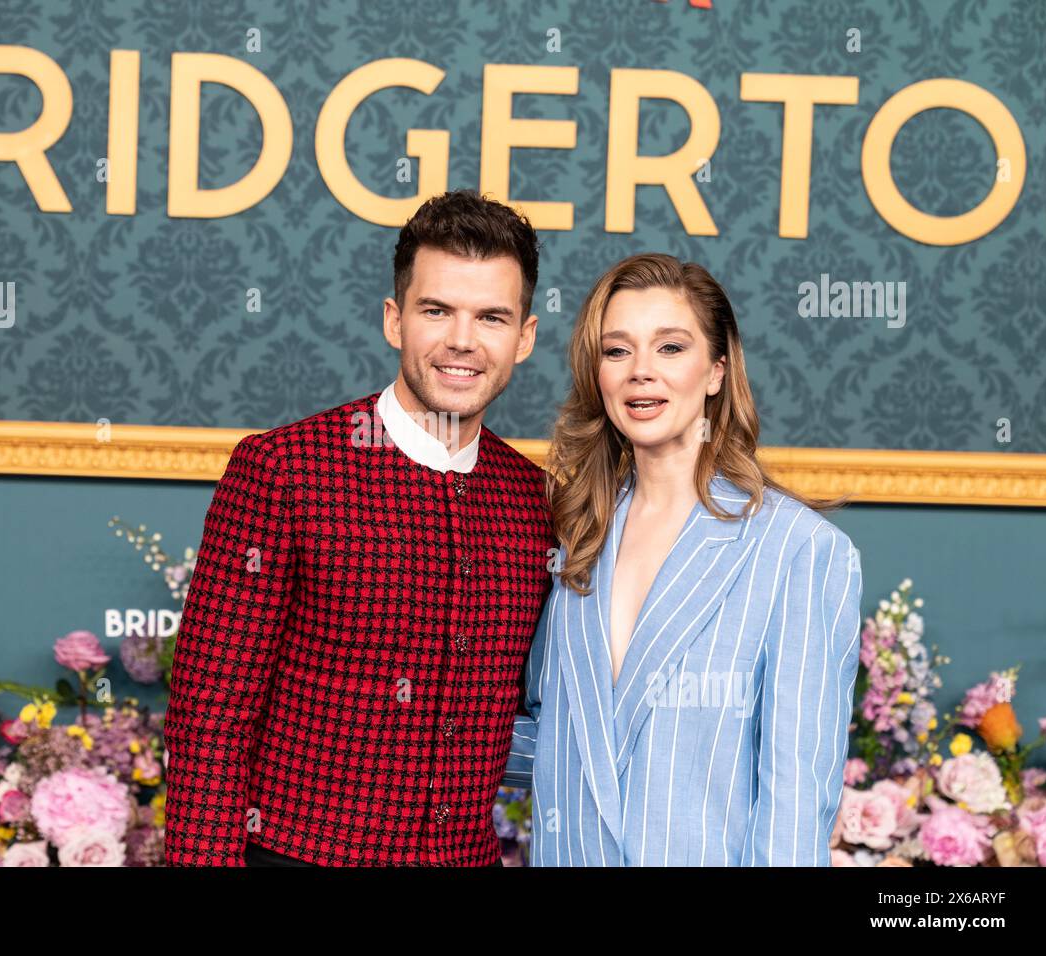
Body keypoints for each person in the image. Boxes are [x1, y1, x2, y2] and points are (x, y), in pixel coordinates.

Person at [164, 189, 555, 866]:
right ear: (394, 320)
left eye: (491, 316)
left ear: (523, 338)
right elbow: (210, 716)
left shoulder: (533, 499)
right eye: (437, 310)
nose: (462, 340)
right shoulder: (283, 470)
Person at [501, 253, 863, 866]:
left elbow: (794, 801)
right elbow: (553, 731)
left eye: (670, 348)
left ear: (717, 370)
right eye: (617, 351)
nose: (642, 372)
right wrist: (394, 717)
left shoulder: (799, 551)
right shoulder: (571, 532)